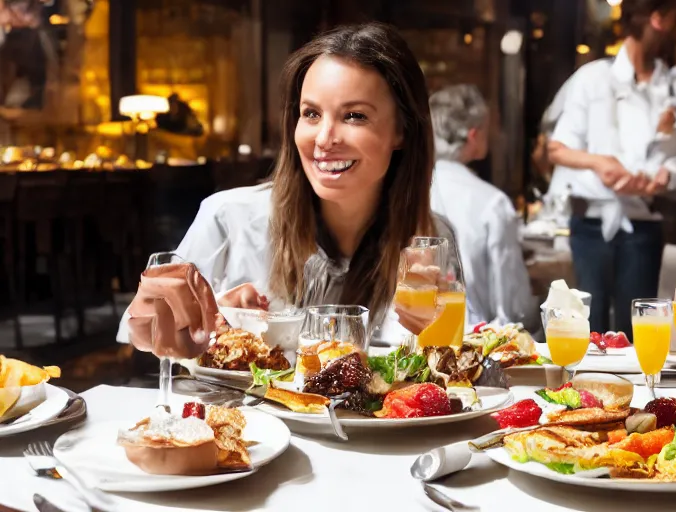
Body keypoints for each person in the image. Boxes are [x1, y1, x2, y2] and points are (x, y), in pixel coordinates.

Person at [119, 23, 453, 357]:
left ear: (402, 131)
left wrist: (432, 334)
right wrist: (185, 318)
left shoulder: (430, 237)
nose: (324, 138)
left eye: (353, 116)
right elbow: (144, 335)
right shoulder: (229, 217)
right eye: (311, 114)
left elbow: (453, 366)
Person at [547, 0, 676, 336]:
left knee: (637, 328)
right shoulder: (592, 78)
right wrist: (600, 163)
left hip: (644, 222)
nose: (674, 27)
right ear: (658, 19)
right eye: (673, 17)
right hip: (591, 222)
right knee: (588, 325)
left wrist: (665, 175)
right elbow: (557, 148)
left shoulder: (674, 87)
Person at [428, 84, 536, 328]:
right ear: (474, 135)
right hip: (470, 341)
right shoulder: (492, 203)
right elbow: (512, 306)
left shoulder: (399, 191)